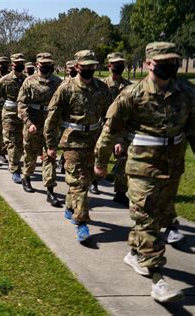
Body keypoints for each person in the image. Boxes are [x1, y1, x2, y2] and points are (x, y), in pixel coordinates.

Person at [94, 42, 194, 303]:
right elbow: (110, 129)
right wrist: (101, 161)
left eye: (173, 61)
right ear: (149, 63)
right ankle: (157, 279)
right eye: (163, 61)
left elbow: (193, 129)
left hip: (172, 165)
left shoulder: (186, 92)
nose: (169, 65)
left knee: (158, 216)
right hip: (140, 167)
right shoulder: (132, 94)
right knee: (147, 217)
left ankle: (134, 253)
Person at [44, 50, 111, 242]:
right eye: (85, 66)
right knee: (80, 182)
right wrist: (51, 145)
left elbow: (110, 115)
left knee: (87, 178)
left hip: (94, 140)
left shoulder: (102, 88)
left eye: (92, 66)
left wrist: (113, 140)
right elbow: (52, 119)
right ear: (77, 66)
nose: (89, 69)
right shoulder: (66, 88)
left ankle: (69, 205)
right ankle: (82, 222)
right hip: (72, 141)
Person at [18, 52, 62, 207]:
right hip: (33, 123)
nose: (45, 67)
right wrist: (28, 122)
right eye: (42, 64)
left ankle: (50, 190)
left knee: (50, 155)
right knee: (30, 153)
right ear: (37, 65)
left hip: (50, 124)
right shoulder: (29, 82)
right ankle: (27, 177)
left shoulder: (58, 82)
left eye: (48, 64)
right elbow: (22, 105)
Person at [0, 53, 27, 183]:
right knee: (12, 141)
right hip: (9, 114)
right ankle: (15, 169)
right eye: (17, 64)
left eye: (21, 63)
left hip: (24, 115)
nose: (20, 65)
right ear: (12, 65)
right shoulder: (4, 80)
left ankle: (15, 162)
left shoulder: (27, 80)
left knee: (21, 141)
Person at [103, 52, 132, 206]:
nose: (119, 67)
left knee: (123, 160)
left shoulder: (129, 86)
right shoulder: (101, 85)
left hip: (123, 129)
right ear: (109, 66)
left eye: (121, 64)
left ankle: (120, 192)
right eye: (116, 64)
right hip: (104, 128)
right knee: (100, 158)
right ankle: (94, 182)